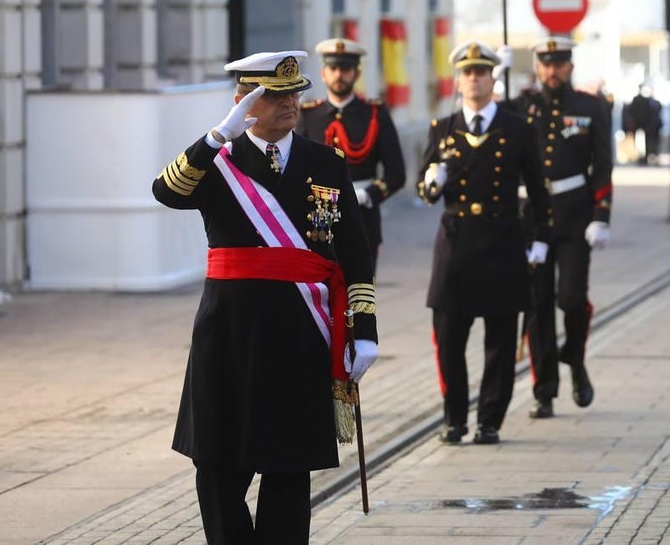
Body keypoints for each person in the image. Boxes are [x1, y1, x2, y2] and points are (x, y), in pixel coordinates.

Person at [152, 50, 378, 543]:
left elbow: (355, 256)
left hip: (299, 335)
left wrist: (365, 332)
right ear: (243, 101)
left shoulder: (326, 163)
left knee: (289, 467)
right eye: (274, 96)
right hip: (228, 333)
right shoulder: (217, 161)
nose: (289, 104)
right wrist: (216, 137)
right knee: (216, 464)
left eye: (293, 93)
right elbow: (166, 192)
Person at [417, 41, 552, 445]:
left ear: (493, 78)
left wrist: (541, 239)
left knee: (500, 337)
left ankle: (490, 418)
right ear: (457, 81)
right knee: (449, 335)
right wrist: (431, 182)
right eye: (467, 73)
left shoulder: (517, 128)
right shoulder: (442, 129)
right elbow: (424, 191)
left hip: (502, 241)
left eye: (481, 72)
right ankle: (454, 418)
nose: (474, 79)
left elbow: (539, 191)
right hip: (456, 244)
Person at [498, 36, 614, 419]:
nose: (552, 70)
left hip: (575, 211)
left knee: (571, 298)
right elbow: (491, 120)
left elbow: (603, 165)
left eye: (559, 62)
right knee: (537, 305)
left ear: (570, 65)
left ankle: (576, 360)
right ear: (537, 67)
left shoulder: (591, 106)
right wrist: (500, 76)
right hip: (532, 217)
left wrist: (602, 215)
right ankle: (544, 389)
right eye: (545, 63)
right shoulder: (521, 105)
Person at [297, 37, 406, 272]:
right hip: (318, 221)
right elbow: (296, 168)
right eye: (333, 68)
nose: (339, 75)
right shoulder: (308, 115)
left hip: (362, 219)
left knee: (359, 298)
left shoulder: (375, 113)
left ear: (356, 74)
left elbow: (396, 173)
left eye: (345, 69)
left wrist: (368, 195)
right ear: (323, 73)